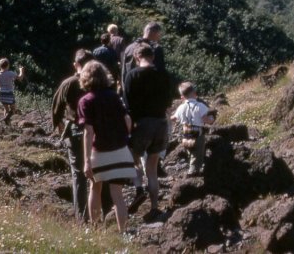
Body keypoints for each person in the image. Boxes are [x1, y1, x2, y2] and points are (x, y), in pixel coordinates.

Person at [78, 61, 134, 233]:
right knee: (118, 194)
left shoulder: (85, 101)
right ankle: (123, 232)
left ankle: (95, 228)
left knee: (95, 188)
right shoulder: (114, 96)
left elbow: (88, 132)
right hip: (119, 150)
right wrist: (126, 137)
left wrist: (86, 160)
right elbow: (128, 120)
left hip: (99, 151)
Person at [123, 44, 173, 222]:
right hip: (161, 123)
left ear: (137, 57)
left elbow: (127, 105)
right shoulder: (164, 75)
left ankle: (138, 189)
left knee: (133, 158)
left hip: (141, 124)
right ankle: (154, 207)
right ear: (152, 57)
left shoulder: (132, 75)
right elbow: (169, 101)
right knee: (152, 168)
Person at [51, 49, 94, 221]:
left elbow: (56, 105)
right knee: (98, 174)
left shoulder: (69, 83)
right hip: (98, 132)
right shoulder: (99, 81)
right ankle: (99, 214)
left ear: (76, 64)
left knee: (78, 175)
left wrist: (58, 124)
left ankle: (81, 217)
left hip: (76, 131)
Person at [172, 82, 215, 176]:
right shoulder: (200, 106)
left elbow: (174, 118)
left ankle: (192, 168)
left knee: (190, 149)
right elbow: (206, 119)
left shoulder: (181, 107)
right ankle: (193, 172)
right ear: (194, 93)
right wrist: (211, 120)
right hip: (197, 132)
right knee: (198, 152)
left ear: (182, 96)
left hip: (186, 131)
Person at [0, 58, 25, 124]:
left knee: (6, 109)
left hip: (1, 94)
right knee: (13, 109)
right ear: (8, 65)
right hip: (9, 94)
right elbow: (20, 78)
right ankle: (7, 119)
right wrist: (21, 71)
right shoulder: (10, 73)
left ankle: (6, 123)